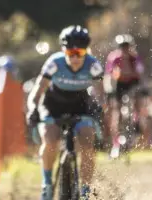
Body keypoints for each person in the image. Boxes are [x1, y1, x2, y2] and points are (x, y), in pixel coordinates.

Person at [26, 25, 104, 200]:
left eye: (80, 53)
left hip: (80, 105)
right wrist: (32, 109)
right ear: (63, 51)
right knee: (51, 140)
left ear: (87, 51)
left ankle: (85, 190)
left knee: (87, 143)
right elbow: (37, 92)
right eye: (70, 53)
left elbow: (100, 95)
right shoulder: (54, 63)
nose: (75, 58)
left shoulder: (93, 66)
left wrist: (100, 108)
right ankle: (46, 184)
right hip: (53, 105)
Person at [104, 34, 149, 157]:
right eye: (122, 47)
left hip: (133, 83)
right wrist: (109, 91)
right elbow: (109, 75)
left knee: (138, 101)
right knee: (116, 110)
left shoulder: (135, 58)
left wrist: (144, 90)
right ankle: (116, 143)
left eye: (126, 47)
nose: (124, 49)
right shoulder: (114, 58)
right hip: (119, 83)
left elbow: (141, 74)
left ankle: (137, 120)